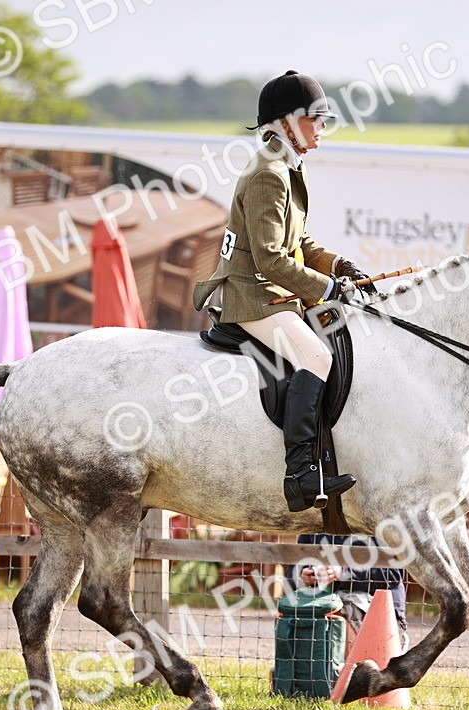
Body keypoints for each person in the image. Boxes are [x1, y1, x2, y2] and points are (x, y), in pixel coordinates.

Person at [192, 70, 376, 513]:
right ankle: (300, 475)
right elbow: (271, 259)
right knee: (316, 356)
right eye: (317, 118)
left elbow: (299, 242)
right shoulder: (268, 175)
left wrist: (337, 265)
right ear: (287, 122)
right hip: (252, 294)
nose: (323, 128)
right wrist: (329, 287)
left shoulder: (289, 167)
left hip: (273, 289)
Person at [290, 533, 409, 650]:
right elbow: (290, 574)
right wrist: (303, 576)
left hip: (385, 618)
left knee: (338, 611)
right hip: (323, 604)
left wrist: (343, 573)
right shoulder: (313, 526)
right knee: (293, 613)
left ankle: (346, 667)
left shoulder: (375, 524)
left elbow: (394, 575)